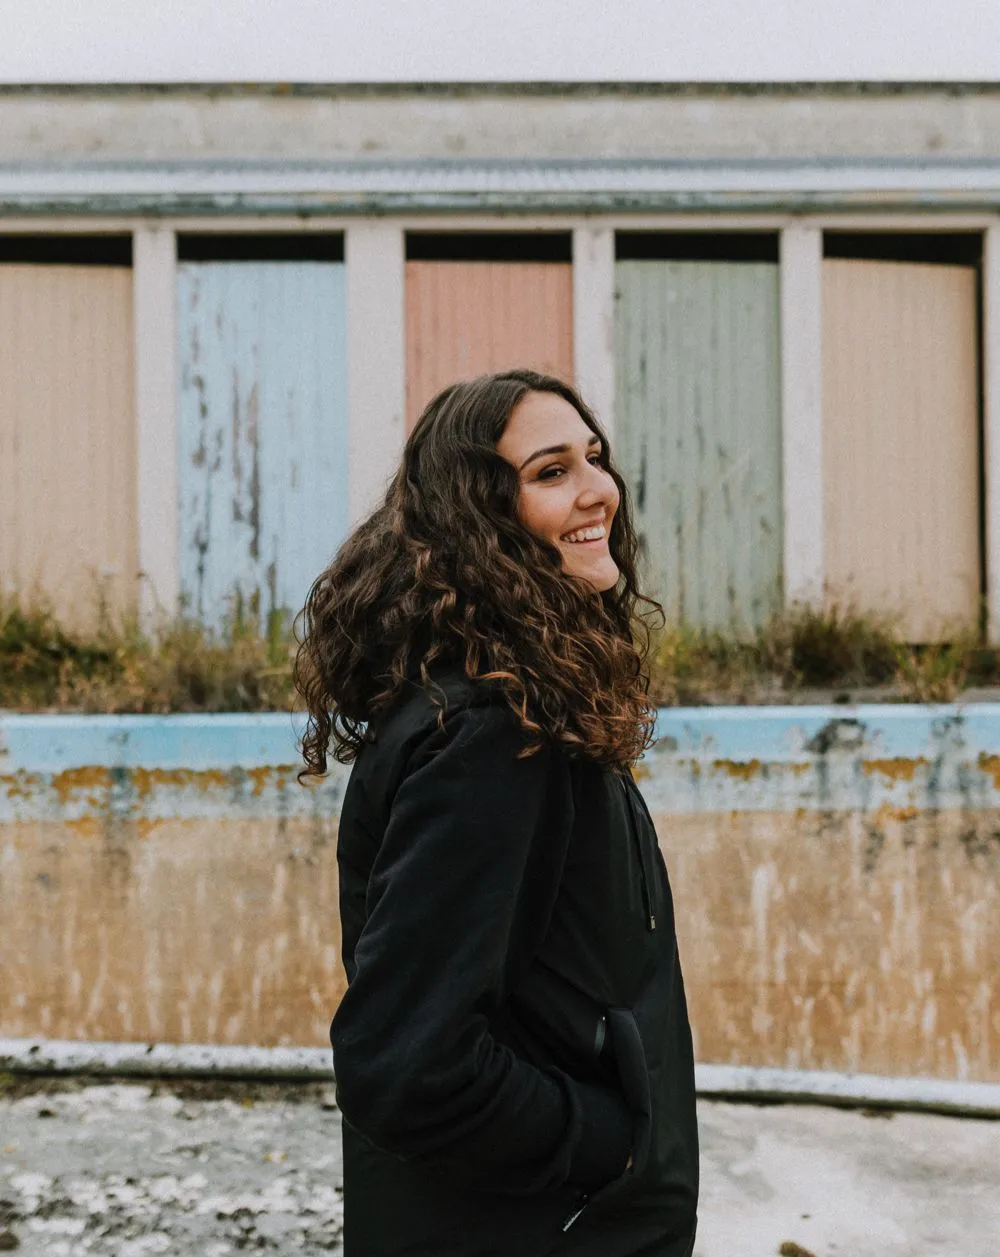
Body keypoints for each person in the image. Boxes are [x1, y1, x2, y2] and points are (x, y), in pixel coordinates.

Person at [294, 369, 699, 1257]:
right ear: (481, 519)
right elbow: (407, 1065)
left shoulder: (520, 706)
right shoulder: (490, 734)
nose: (599, 489)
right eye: (551, 472)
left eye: (593, 458)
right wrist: (610, 1142)